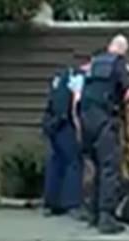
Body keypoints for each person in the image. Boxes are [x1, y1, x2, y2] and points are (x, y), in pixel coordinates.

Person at [79, 34, 129, 234]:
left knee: (95, 168)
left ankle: (93, 214)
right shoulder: (119, 64)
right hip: (106, 122)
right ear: (123, 50)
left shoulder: (94, 63)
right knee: (109, 169)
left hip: (87, 122)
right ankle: (106, 217)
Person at [40, 65, 85, 217]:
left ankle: (51, 202)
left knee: (56, 162)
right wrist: (79, 128)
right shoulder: (78, 77)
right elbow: (75, 105)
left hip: (53, 123)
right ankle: (71, 203)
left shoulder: (60, 77)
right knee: (73, 163)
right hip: (66, 125)